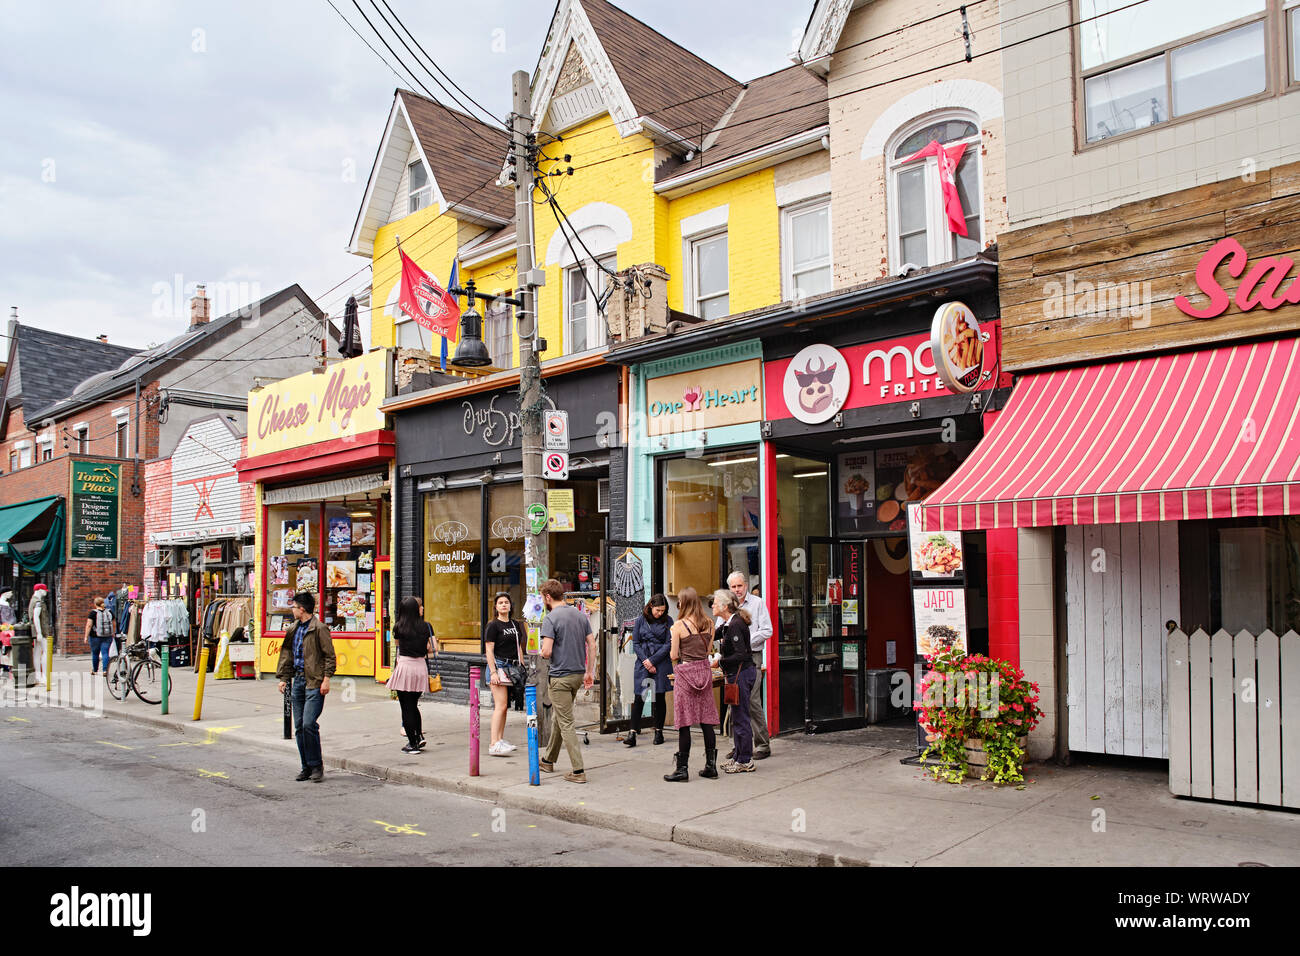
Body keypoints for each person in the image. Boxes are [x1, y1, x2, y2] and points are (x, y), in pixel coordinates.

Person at [538, 579, 595, 783]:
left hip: (560, 676)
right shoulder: (580, 615)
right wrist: (590, 671)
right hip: (578, 674)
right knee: (558, 718)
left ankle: (578, 770)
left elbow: (547, 651)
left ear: (547, 597)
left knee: (566, 722)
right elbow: (592, 643)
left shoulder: (551, 618)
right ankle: (548, 759)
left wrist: (542, 652)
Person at [275, 592, 335, 782]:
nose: (291, 610)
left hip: (314, 682)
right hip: (298, 682)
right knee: (299, 727)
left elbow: (329, 656)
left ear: (302, 609)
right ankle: (306, 767)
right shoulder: (293, 629)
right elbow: (287, 654)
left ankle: (317, 765)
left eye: (294, 607)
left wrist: (326, 679)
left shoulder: (319, 628)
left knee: (309, 724)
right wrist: (284, 677)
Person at [663, 587, 720, 783]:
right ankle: (711, 766)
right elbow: (707, 650)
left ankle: (682, 769)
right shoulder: (710, 624)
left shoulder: (678, 626)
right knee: (706, 720)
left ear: (684, 603)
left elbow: (673, 655)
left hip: (685, 673)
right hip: (704, 672)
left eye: (679, 601)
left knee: (685, 722)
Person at [728, 571, 773, 760]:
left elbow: (767, 630)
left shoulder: (757, 603)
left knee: (752, 701)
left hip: (752, 657)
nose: (737, 590)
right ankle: (738, 745)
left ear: (746, 585)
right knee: (734, 700)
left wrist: (746, 642)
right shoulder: (727, 605)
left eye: (740, 586)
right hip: (732, 660)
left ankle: (762, 745)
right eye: (733, 587)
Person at [712, 589, 756, 773]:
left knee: (741, 718)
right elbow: (713, 635)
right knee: (737, 717)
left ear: (724, 606)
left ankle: (745, 760)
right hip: (737, 674)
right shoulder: (728, 623)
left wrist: (720, 661)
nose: (712, 606)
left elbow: (741, 654)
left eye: (715, 603)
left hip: (741, 674)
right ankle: (738, 756)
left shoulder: (736, 624)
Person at [387, 596, 436, 754]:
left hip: (405, 666)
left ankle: (412, 743)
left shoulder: (398, 628)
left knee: (406, 707)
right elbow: (432, 649)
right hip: (420, 667)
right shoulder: (426, 627)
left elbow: (398, 649)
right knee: (414, 704)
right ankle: (419, 736)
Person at [482, 592, 525, 756]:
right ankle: (493, 743)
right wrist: (493, 672)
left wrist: (522, 665)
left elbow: (519, 647)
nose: (504, 605)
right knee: (500, 706)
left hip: (512, 668)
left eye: (506, 602)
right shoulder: (493, 626)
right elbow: (489, 650)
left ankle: (500, 739)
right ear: (496, 607)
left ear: (510, 606)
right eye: (500, 603)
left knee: (505, 706)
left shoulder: (515, 624)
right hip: (499, 666)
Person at [626, 594, 672, 747]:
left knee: (659, 696)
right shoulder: (640, 620)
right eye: (658, 610)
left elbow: (668, 645)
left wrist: (653, 660)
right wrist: (646, 661)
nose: (660, 613)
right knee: (640, 696)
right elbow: (636, 643)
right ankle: (632, 732)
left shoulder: (668, 621)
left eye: (663, 610)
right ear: (651, 606)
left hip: (661, 661)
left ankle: (659, 731)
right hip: (643, 661)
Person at [84, 596, 115, 677]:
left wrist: (86, 636)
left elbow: (89, 625)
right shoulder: (110, 612)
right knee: (105, 653)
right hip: (107, 636)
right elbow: (113, 623)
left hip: (95, 636)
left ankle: (95, 670)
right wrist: (113, 632)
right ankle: (105, 670)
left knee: (95, 653)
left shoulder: (93, 613)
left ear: (95, 604)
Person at [29, 584, 52, 682]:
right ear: (40, 590)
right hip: (42, 631)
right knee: (46, 652)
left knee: (37, 653)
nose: (46, 592)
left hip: (38, 631)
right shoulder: (38, 602)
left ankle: (38, 677)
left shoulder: (32, 601)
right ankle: (44, 677)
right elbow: (36, 618)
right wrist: (39, 632)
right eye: (45, 590)